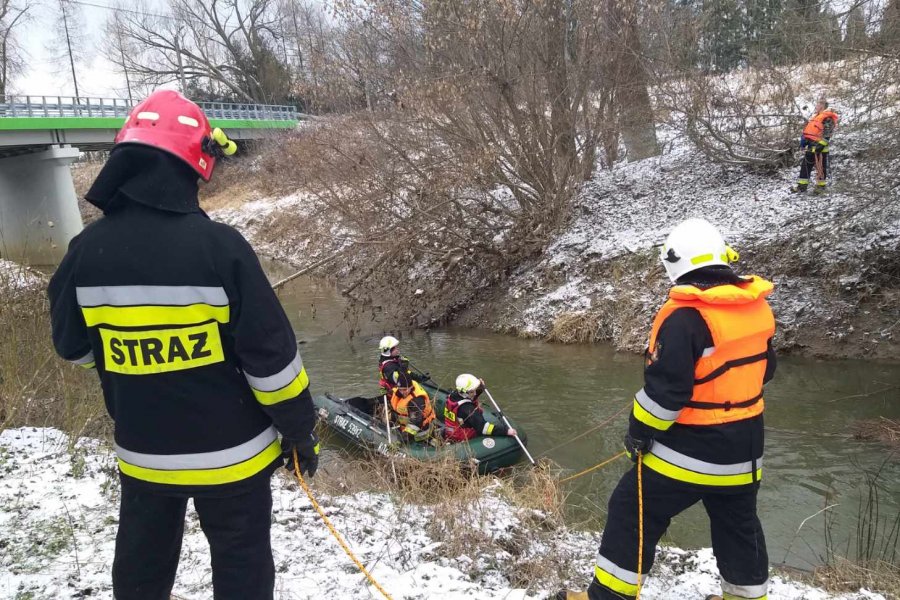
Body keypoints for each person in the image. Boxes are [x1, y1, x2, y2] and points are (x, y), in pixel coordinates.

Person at [48, 90, 320, 600]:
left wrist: (129, 370)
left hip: (144, 452)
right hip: (235, 456)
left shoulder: (85, 252)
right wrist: (300, 432)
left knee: (141, 566)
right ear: (195, 162)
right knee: (242, 566)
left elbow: (73, 348)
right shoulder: (221, 249)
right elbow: (272, 362)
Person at [558, 218, 777, 600]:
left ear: (674, 265)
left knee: (632, 509)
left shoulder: (686, 318)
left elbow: (664, 396)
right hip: (746, 449)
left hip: (691, 450)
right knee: (738, 524)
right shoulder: (756, 309)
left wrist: (638, 434)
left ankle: (608, 597)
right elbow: (765, 370)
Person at [443, 373, 517, 442]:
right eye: (472, 391)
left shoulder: (455, 395)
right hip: (462, 436)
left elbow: (470, 396)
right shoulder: (468, 409)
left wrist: (480, 387)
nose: (475, 393)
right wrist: (506, 431)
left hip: (452, 430)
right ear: (464, 392)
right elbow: (483, 428)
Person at [791, 98, 839, 194]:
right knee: (805, 166)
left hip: (820, 149)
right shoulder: (816, 117)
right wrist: (804, 140)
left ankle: (820, 188)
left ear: (822, 106)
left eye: (817, 105)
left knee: (820, 168)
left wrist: (821, 145)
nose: (816, 107)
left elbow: (828, 133)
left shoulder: (827, 118)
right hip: (810, 146)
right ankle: (802, 186)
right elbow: (810, 130)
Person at [388, 371, 437, 442]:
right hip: (405, 426)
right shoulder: (399, 393)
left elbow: (416, 423)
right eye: (400, 389)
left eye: (405, 389)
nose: (402, 392)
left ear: (411, 387)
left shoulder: (416, 400)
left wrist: (401, 439)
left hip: (420, 433)